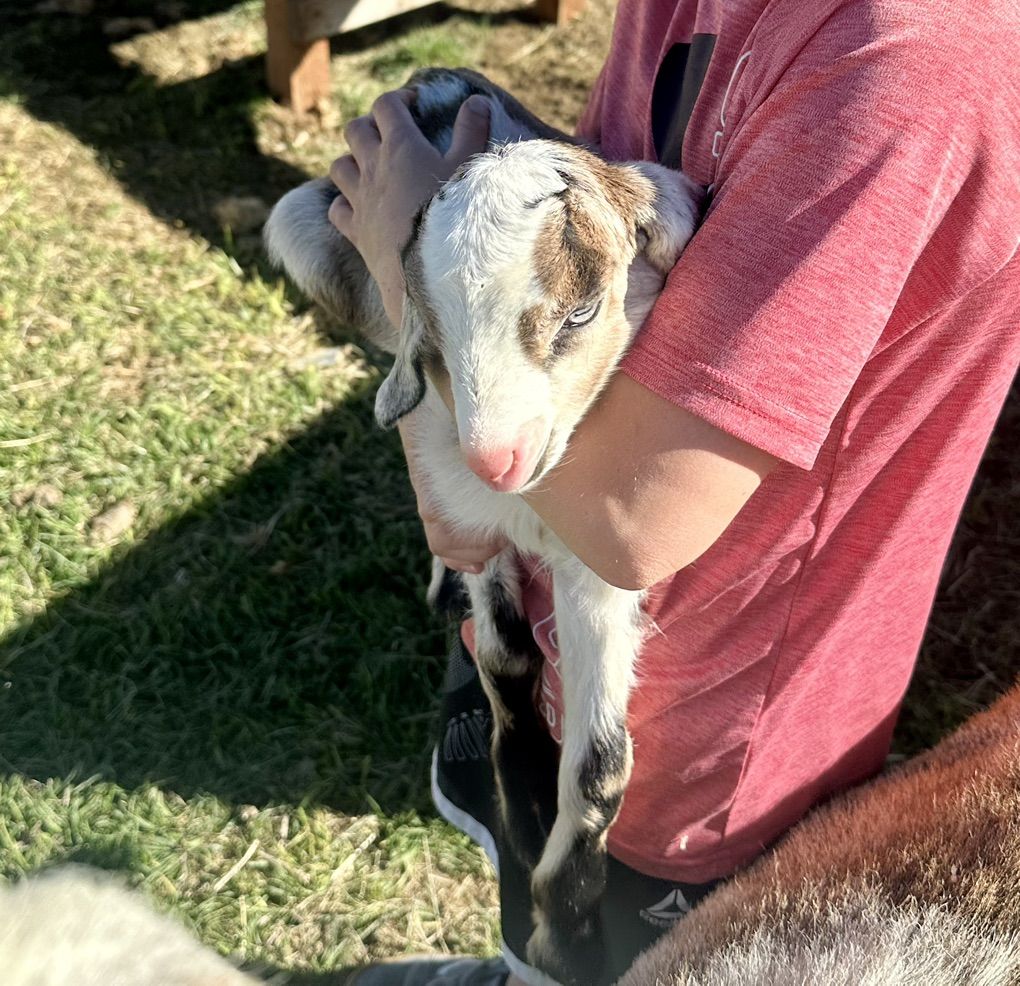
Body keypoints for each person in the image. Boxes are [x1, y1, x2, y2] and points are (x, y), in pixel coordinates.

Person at [329, 0, 1020, 982]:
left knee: (623, 937)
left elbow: (634, 518)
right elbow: (611, 186)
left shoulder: (907, 70)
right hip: (546, 586)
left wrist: (412, 260)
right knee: (531, 848)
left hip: (701, 713)